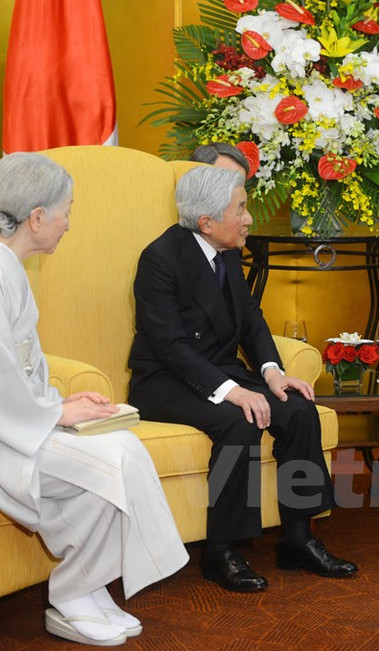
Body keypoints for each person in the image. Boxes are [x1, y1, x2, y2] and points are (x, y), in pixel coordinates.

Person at [0, 153, 188, 646]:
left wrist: (62, 402)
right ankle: (72, 593)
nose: (70, 222)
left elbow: (18, 367)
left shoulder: (2, 270)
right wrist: (58, 413)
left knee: (119, 447)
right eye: (67, 210)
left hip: (4, 421)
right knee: (116, 457)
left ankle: (83, 590)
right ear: (38, 217)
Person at [127, 166, 357, 594]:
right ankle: (222, 550)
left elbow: (251, 318)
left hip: (218, 371)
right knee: (241, 420)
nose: (249, 218)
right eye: (242, 208)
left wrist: (272, 373)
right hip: (165, 380)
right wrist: (233, 393)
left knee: (300, 410)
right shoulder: (160, 259)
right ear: (206, 222)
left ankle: (298, 538)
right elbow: (172, 347)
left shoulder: (228, 250)